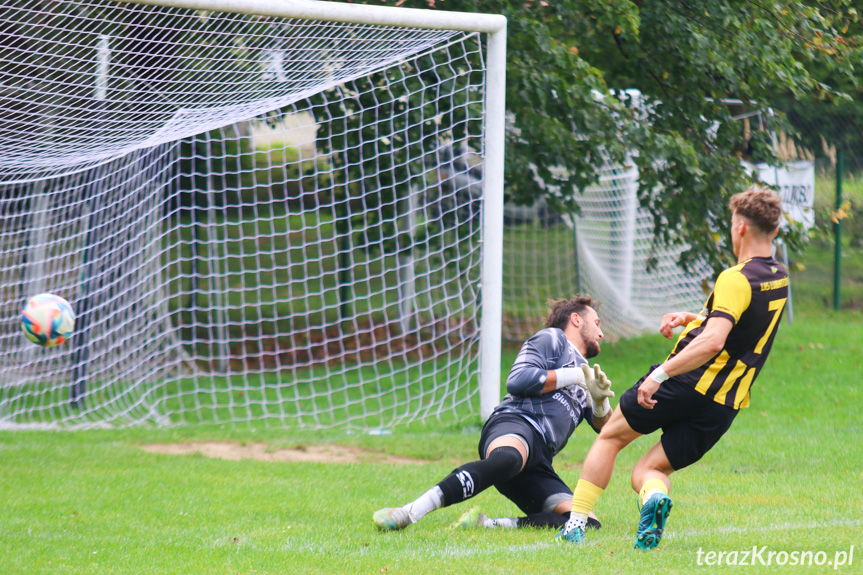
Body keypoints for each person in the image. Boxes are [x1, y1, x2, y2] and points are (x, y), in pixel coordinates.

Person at [557, 185, 789, 549]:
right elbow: (741, 327)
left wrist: (659, 376)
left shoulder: (734, 278)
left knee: (611, 438)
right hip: (723, 405)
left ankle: (574, 526)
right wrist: (696, 318)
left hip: (685, 381)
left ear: (740, 227)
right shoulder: (779, 276)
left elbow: (714, 341)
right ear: (774, 230)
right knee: (648, 471)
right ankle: (653, 501)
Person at [373, 296, 614, 533]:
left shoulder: (588, 374)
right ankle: (408, 512)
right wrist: (575, 377)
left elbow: (608, 430)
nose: (601, 333)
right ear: (576, 320)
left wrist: (600, 401)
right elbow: (518, 380)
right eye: (597, 323)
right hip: (516, 424)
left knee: (585, 523)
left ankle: (486, 523)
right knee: (508, 458)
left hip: (540, 459)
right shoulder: (554, 339)